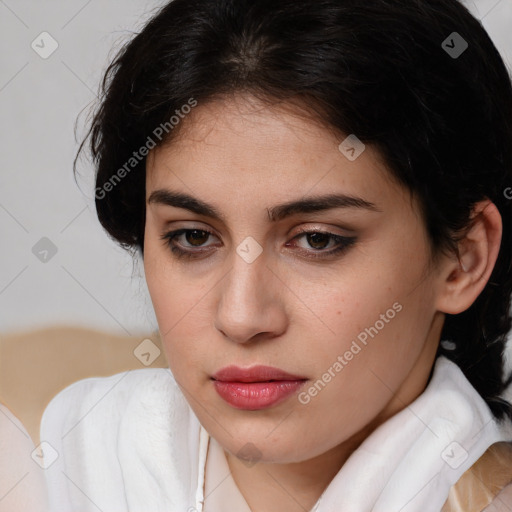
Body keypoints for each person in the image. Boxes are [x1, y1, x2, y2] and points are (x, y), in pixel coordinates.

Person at [40, 0, 512, 510]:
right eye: (193, 237)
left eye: (317, 239)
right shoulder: (71, 460)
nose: (241, 318)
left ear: (463, 257)